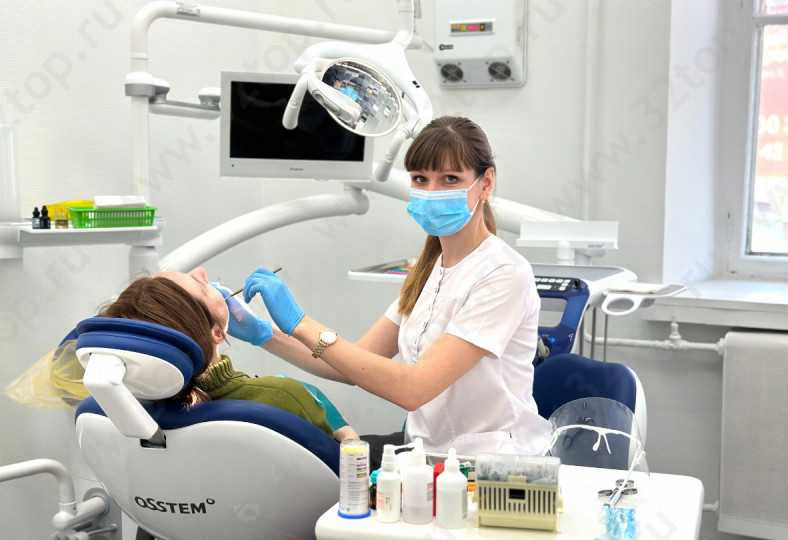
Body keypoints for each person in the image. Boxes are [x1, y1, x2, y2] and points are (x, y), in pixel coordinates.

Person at [226, 116, 552, 459]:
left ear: (486, 183)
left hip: (492, 464)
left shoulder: (504, 274)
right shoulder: (429, 268)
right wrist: (264, 334)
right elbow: (350, 364)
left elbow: (413, 389)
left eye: (450, 179)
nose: (431, 192)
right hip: (426, 453)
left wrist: (301, 323)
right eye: (420, 179)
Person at [64, 268, 358, 442]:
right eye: (201, 287)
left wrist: (267, 336)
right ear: (216, 332)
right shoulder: (284, 397)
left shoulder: (115, 411)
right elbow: (346, 473)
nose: (202, 272)